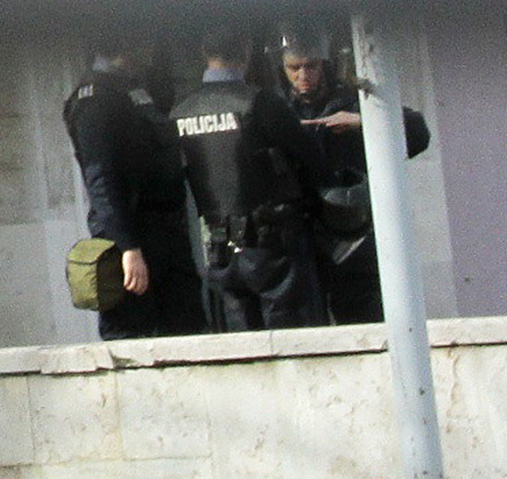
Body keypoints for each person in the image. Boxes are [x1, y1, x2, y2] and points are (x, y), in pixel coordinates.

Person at [171, 28, 326, 331]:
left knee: (240, 351)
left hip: (220, 251)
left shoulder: (180, 112)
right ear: (246, 52)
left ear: (204, 53)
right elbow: (314, 161)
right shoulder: (261, 103)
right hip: (273, 248)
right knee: (293, 345)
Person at [280, 26, 432, 326]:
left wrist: (363, 121)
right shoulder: (279, 109)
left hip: (354, 230)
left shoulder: (352, 101)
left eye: (311, 66)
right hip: (305, 229)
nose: (303, 76)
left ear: (324, 65)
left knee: (363, 317)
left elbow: (418, 132)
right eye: (294, 68)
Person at [59, 46, 204, 337]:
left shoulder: (134, 88)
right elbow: (102, 180)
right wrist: (128, 248)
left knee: (186, 330)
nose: (150, 49)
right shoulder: (94, 100)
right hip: (131, 241)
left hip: (166, 236)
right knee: (131, 335)